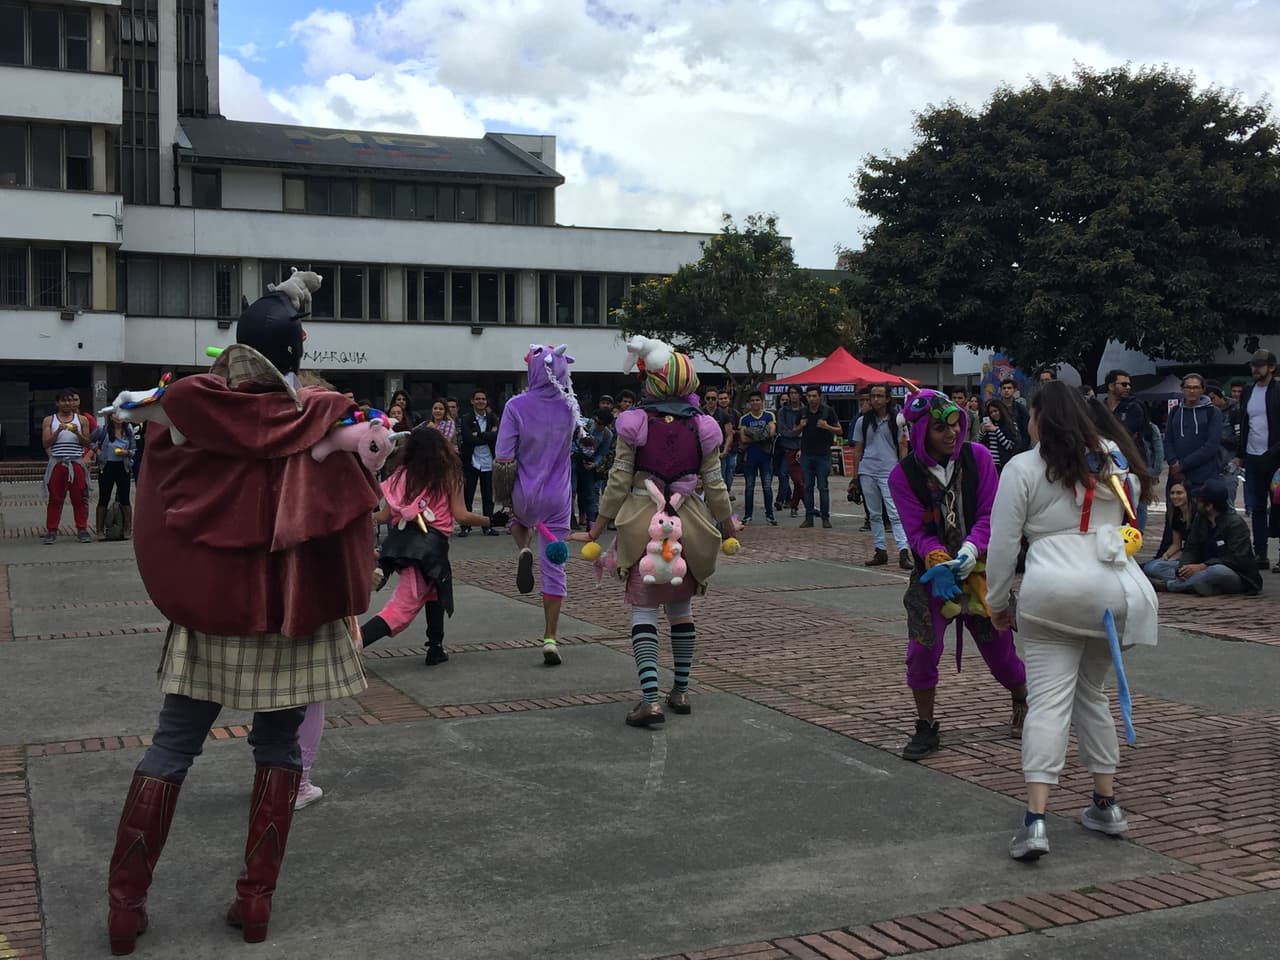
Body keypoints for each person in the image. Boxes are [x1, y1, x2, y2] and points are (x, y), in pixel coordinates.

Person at [102, 288, 380, 953]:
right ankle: (253, 904)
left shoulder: (193, 406)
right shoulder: (321, 415)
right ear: (296, 350)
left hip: (210, 610)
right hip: (291, 615)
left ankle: (125, 907)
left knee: (172, 746)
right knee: (279, 751)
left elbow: (141, 435)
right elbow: (363, 492)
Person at [986, 381, 1158, 861]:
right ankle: (1106, 802)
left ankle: (1037, 820)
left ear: (1042, 417)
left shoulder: (1024, 466)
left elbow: (1002, 546)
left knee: (1048, 704)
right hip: (1114, 593)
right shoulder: (1114, 460)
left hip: (1052, 594)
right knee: (1092, 697)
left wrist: (998, 602)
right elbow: (1135, 510)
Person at [582, 337, 737, 727]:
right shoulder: (704, 426)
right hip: (687, 527)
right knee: (681, 609)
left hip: (642, 526)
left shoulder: (634, 422)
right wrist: (730, 525)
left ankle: (650, 699)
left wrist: (597, 527)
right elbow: (715, 484)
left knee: (644, 611)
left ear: (651, 381)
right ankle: (680, 690)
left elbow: (618, 481)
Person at [888, 390, 1028, 762]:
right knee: (921, 651)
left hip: (982, 573)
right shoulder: (902, 476)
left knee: (1002, 657)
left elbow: (989, 515)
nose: (951, 434)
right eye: (939, 428)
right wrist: (938, 558)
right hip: (934, 577)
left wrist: (971, 550)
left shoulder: (978, 457)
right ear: (919, 433)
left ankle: (1022, 696)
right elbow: (916, 531)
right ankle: (926, 725)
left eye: (954, 424)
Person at [361, 423, 499, 662]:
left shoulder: (401, 475)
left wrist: (352, 520)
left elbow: (384, 516)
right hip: (430, 548)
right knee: (401, 610)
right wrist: (492, 520)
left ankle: (436, 647)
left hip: (399, 543)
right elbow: (462, 515)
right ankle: (354, 644)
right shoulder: (449, 474)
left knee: (435, 591)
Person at [493, 345, 579, 665]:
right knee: (554, 567)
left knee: (518, 518)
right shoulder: (570, 408)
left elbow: (503, 456)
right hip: (559, 495)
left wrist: (504, 493)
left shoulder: (516, 406)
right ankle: (551, 638)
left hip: (524, 492)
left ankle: (522, 547)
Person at [1144, 479, 1261, 596]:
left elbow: (1235, 559)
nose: (1196, 502)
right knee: (1153, 567)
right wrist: (1183, 569)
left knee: (1217, 571)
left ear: (1209, 506)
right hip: (1201, 567)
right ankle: (1199, 585)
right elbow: (1191, 547)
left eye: (1200, 500)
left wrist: (1203, 566)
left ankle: (1170, 586)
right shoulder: (1201, 518)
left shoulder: (1235, 524)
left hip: (1235, 575)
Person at [849, 385, 910, 567]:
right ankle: (880, 549)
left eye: (879, 396)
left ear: (888, 399)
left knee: (895, 513)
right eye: (873, 396)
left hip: (889, 470)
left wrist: (902, 469)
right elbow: (857, 449)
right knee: (874, 514)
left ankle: (903, 551)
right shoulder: (862, 421)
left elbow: (903, 445)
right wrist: (855, 477)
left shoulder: (898, 420)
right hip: (867, 470)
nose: (875, 400)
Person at [1236, 349, 1280, 571]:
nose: (1255, 369)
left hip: (1276, 459)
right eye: (1253, 365)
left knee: (1279, 506)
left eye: (1260, 365)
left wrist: (1272, 453)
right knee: (1257, 507)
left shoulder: (1278, 390)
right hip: (1252, 458)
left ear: (1271, 367)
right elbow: (1245, 424)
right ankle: (1260, 552)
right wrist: (1241, 453)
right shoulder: (1248, 391)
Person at [41, 388, 94, 544]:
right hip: (58, 462)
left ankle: (82, 529)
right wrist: (57, 431)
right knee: (55, 498)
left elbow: (87, 442)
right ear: (57, 403)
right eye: (64, 400)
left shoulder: (82, 420)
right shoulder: (49, 420)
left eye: (71, 400)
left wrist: (77, 433)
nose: (68, 403)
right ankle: (51, 530)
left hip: (76, 462)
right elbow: (45, 443)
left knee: (79, 498)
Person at [1164, 373, 1223, 491]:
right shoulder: (1175, 411)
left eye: (1196, 387)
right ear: (1182, 389)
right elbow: (1168, 440)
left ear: (1202, 390)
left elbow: (1212, 445)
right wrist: (1173, 462)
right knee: (1176, 508)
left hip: (1204, 476)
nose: (1192, 391)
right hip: (1177, 476)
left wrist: (1183, 465)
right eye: (1188, 387)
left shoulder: (1212, 412)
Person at [796, 386, 841, 528]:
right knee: (808, 486)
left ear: (820, 397)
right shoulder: (802, 412)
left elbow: (839, 430)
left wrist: (827, 426)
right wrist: (800, 427)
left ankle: (825, 517)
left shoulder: (828, 411)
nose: (812, 399)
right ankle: (809, 517)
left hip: (823, 454)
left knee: (823, 487)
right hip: (806, 454)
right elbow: (793, 432)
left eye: (814, 396)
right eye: (809, 396)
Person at [458, 389, 501, 537]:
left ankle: (487, 525)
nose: (480, 401)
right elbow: (468, 439)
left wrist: (481, 435)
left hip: (488, 461)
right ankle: (466, 526)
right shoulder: (466, 418)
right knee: (468, 495)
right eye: (477, 399)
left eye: (483, 399)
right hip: (472, 461)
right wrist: (487, 436)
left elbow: (496, 437)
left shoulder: (493, 418)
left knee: (488, 495)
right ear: (472, 401)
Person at [92, 414, 137, 539]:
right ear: (111, 417)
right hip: (107, 467)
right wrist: (97, 451)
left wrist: (127, 452)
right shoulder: (102, 430)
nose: (118, 417)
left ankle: (127, 529)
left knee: (125, 498)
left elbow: (134, 449)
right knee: (104, 498)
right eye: (115, 414)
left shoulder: (128, 432)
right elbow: (90, 441)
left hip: (123, 467)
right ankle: (100, 531)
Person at [738, 390, 777, 525]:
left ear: (762, 402)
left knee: (767, 486)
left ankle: (770, 515)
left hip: (766, 457)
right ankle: (748, 515)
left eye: (757, 400)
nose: (755, 403)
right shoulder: (744, 418)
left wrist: (752, 434)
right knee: (749, 487)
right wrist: (761, 435)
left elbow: (771, 433)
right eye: (752, 400)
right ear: (749, 403)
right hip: (750, 457)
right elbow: (743, 438)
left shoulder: (769, 415)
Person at [573, 407, 615, 529]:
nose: (596, 424)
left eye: (600, 423)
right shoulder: (584, 424)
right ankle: (569, 519)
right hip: (575, 458)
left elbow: (602, 452)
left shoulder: (607, 434)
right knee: (572, 489)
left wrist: (595, 463)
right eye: (595, 421)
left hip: (589, 463)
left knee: (590, 493)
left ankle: (591, 523)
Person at [1143, 480, 1191, 576]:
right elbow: (1176, 544)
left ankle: (1186, 579)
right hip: (1182, 554)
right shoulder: (1175, 514)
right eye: (1172, 493)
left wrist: (1179, 556)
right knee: (1148, 567)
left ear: (1188, 494)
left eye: (1179, 493)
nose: (1175, 496)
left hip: (1195, 556)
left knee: (1154, 568)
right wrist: (1167, 555)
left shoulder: (1196, 514)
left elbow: (1196, 546)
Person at [773, 385, 805, 517]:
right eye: (791, 393)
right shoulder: (783, 411)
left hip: (804, 448)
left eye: (795, 393)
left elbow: (808, 431)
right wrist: (797, 431)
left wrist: (799, 435)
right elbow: (782, 431)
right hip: (787, 448)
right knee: (785, 475)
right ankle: (791, 502)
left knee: (801, 481)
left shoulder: (805, 410)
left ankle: (795, 504)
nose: (793, 396)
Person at [980, 398, 1021, 472]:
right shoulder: (988, 425)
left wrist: (996, 431)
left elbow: (1009, 446)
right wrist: (982, 432)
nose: (993, 414)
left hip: (1004, 465)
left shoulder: (1011, 425)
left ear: (1001, 410)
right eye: (991, 412)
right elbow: (979, 443)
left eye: (995, 411)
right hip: (989, 464)